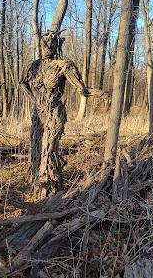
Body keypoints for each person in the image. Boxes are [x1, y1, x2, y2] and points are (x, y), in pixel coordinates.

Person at [21, 31, 108, 198]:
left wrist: (102, 94)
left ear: (57, 45)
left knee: (49, 149)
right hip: (37, 115)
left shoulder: (64, 65)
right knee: (36, 149)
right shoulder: (33, 66)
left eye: (52, 43)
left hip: (54, 113)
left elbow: (82, 89)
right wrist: (34, 99)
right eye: (44, 43)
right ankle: (36, 186)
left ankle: (51, 189)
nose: (47, 46)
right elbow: (23, 83)